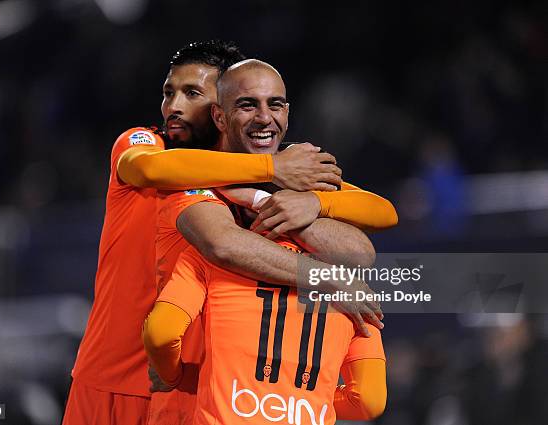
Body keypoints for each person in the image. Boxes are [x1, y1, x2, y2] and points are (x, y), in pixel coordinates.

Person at [61, 41, 344, 425]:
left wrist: (317, 204)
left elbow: (380, 211)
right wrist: (271, 169)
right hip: (110, 382)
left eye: (191, 93)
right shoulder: (147, 144)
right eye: (168, 92)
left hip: (194, 393)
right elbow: (148, 171)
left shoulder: (257, 167)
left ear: (221, 109)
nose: (173, 106)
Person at [143, 59, 388, 425]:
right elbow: (223, 243)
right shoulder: (193, 177)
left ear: (287, 113)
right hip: (194, 407)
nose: (263, 117)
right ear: (220, 117)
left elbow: (369, 237)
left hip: (209, 406)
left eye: (274, 104)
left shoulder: (303, 180)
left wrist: (306, 202)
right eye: (247, 104)